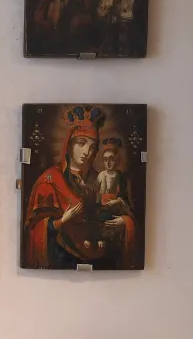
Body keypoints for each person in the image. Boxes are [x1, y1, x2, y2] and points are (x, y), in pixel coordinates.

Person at [25, 106, 128, 269]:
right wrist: (62, 221)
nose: (87, 152)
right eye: (81, 143)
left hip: (102, 255)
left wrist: (124, 222)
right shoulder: (49, 180)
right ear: (69, 145)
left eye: (93, 147)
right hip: (62, 256)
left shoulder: (98, 178)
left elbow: (116, 213)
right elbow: (35, 227)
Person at [94, 138, 135, 265]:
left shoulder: (122, 178)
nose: (108, 162)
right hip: (102, 212)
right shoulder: (100, 176)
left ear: (116, 160)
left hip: (117, 213)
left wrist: (117, 201)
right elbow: (94, 197)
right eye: (105, 159)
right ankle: (101, 238)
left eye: (111, 159)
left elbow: (127, 201)